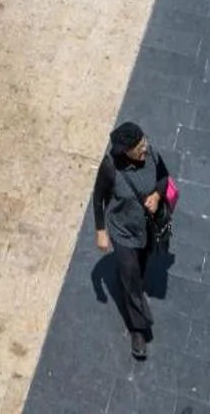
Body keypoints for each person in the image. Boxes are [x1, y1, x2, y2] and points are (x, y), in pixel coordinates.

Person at [93, 121, 169, 361]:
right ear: (127, 150)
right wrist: (101, 230)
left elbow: (164, 177)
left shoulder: (151, 154)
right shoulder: (110, 167)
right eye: (140, 147)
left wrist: (157, 196)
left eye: (144, 141)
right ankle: (138, 329)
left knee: (140, 267)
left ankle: (130, 280)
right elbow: (98, 199)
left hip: (146, 228)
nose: (145, 148)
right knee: (132, 279)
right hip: (122, 232)